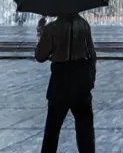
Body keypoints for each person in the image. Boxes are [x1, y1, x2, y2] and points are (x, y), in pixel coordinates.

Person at [35, 12, 96, 152]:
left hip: (60, 81)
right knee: (85, 129)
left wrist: (40, 32)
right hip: (81, 80)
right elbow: (92, 54)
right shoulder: (84, 25)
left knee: (52, 129)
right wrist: (91, 78)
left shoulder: (52, 28)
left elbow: (40, 56)